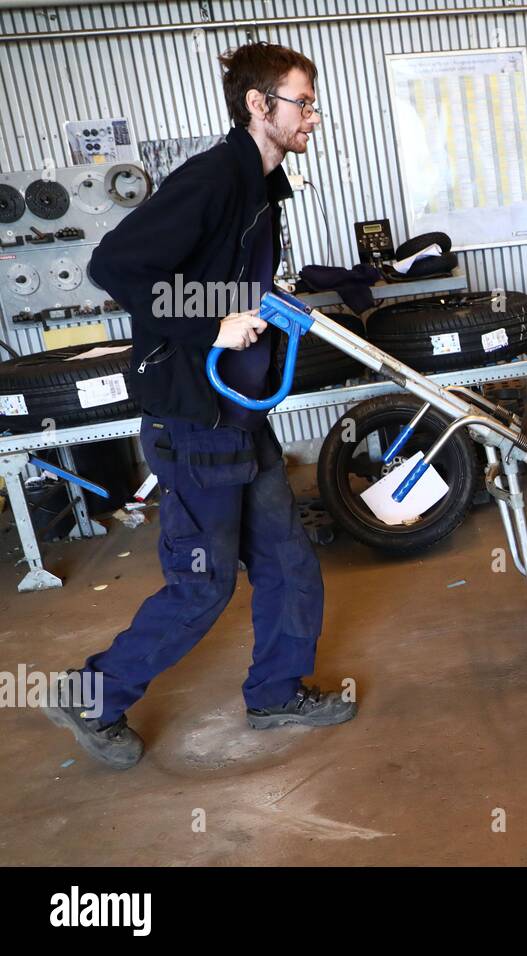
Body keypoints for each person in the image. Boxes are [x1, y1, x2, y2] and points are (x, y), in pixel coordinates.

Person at [42, 41, 356, 769]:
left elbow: (223, 283)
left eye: (311, 102)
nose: (313, 115)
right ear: (259, 104)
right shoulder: (215, 178)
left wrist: (265, 306)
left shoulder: (263, 191)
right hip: (193, 419)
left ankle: (277, 691)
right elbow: (117, 267)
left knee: (286, 561)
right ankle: (90, 695)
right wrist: (214, 323)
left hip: (241, 414)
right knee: (204, 584)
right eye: (301, 102)